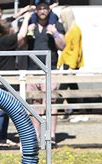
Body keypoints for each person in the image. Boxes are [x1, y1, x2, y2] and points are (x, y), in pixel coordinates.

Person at [0, 2, 32, 142]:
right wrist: (25, 17)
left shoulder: (1, 37)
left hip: (1, 72)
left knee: (4, 107)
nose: (0, 14)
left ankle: (1, 137)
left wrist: (23, 11)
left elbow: (5, 23)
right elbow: (18, 34)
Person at [26, 0, 66, 147]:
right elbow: (20, 42)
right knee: (35, 104)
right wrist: (26, 26)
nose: (42, 11)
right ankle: (36, 137)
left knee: (51, 103)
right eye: (40, 8)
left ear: (49, 9)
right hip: (32, 70)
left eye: (45, 8)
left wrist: (55, 33)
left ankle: (51, 135)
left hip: (51, 69)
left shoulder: (56, 24)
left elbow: (63, 45)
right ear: (36, 10)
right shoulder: (31, 24)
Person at [57, 6, 84, 120]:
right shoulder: (68, 29)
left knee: (63, 87)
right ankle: (75, 108)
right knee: (72, 86)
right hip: (67, 62)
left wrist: (72, 67)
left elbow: (76, 49)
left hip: (72, 63)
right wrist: (60, 62)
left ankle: (57, 107)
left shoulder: (75, 30)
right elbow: (66, 50)